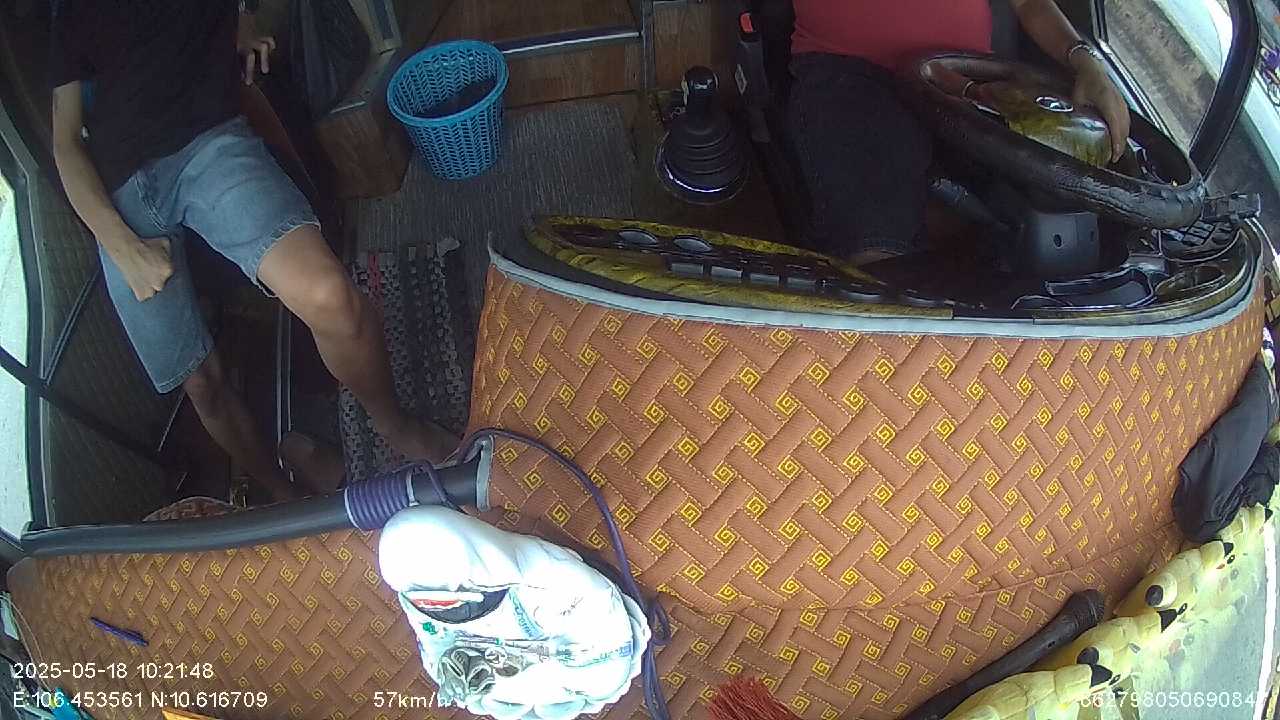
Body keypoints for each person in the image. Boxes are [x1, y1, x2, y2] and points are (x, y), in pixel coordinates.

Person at [49, 0, 455, 502]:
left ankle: (397, 427)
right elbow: (65, 143)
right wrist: (121, 245)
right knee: (201, 384)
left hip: (206, 144)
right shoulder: (68, 13)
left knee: (331, 298)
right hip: (116, 193)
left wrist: (241, 17)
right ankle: (281, 493)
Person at [787, 0, 1132, 264]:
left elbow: (1030, 3)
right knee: (878, 240)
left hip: (972, 84)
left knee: (1052, 207)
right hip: (852, 75)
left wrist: (1087, 62)